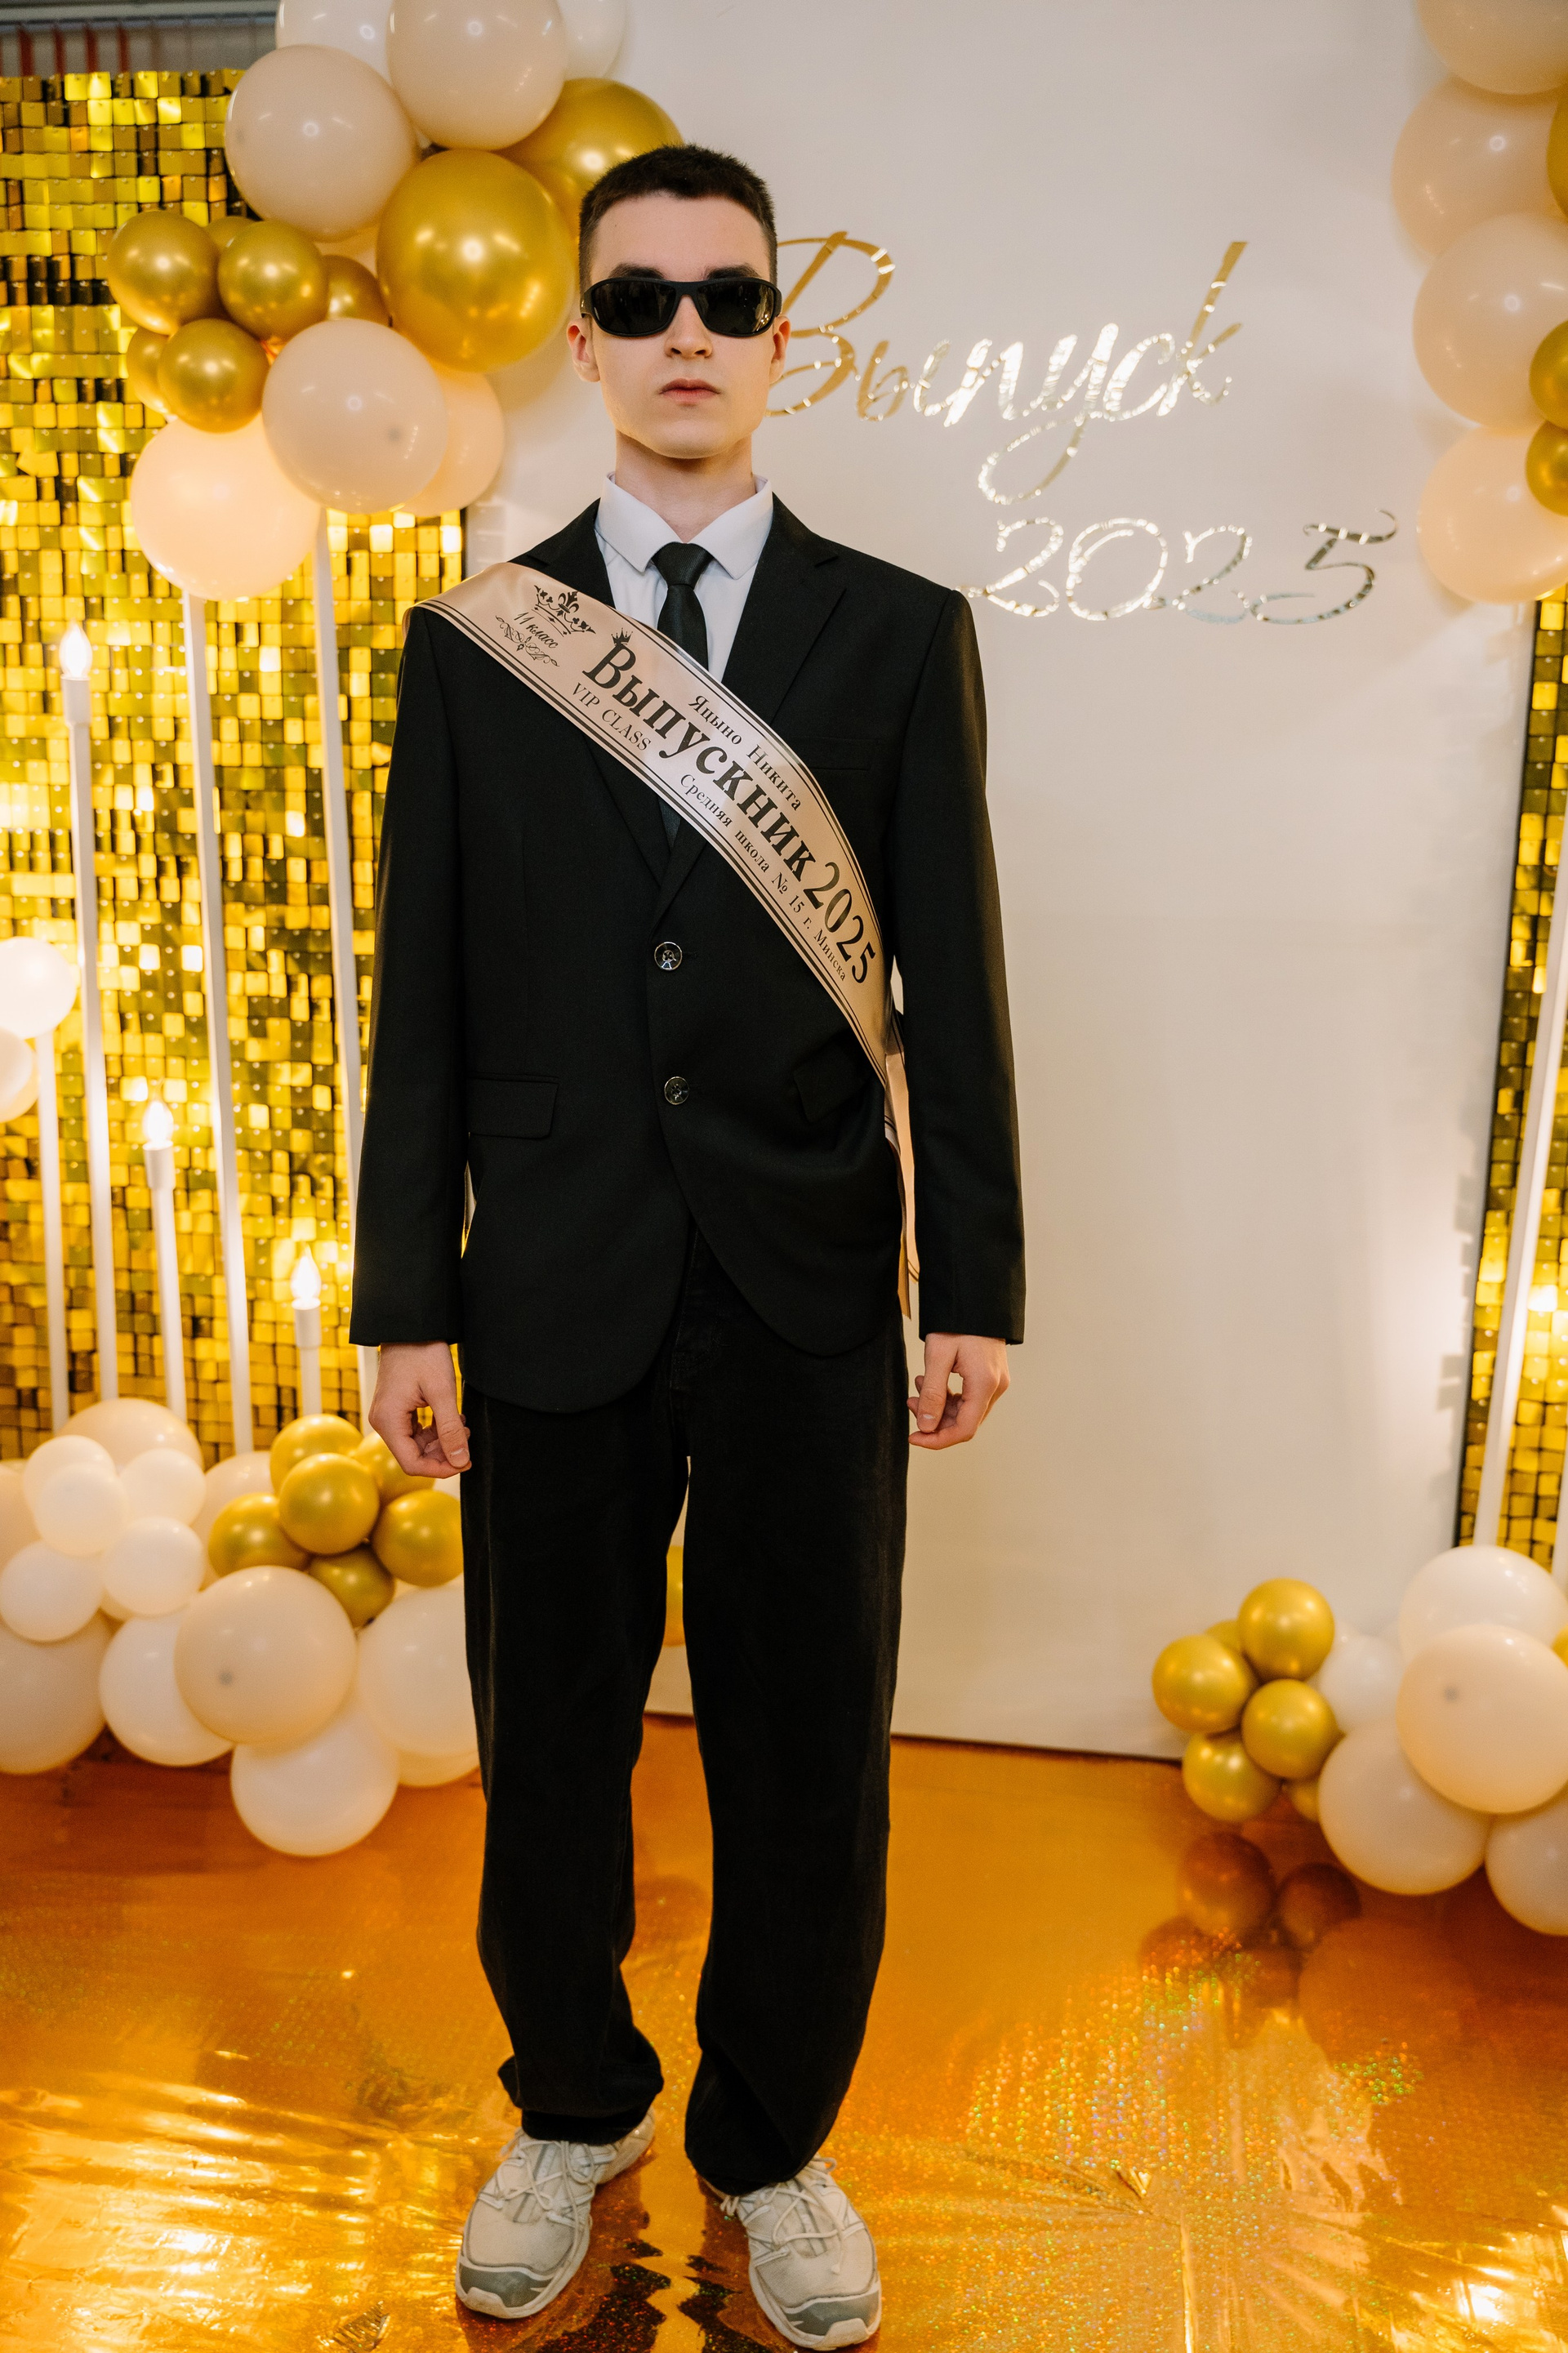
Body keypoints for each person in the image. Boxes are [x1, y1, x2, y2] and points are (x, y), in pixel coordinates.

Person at [351, 143, 1025, 2349]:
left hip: (809, 1278)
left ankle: (770, 2142)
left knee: (807, 1734)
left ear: (779, 337)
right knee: (546, 1728)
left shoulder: (898, 632)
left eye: (726, 300)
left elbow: (954, 982)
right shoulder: (477, 644)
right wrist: (405, 1294)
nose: (684, 339)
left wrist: (974, 1278)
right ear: (581, 340)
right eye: (638, 302)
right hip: (550, 1273)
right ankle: (573, 2107)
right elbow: (425, 997)